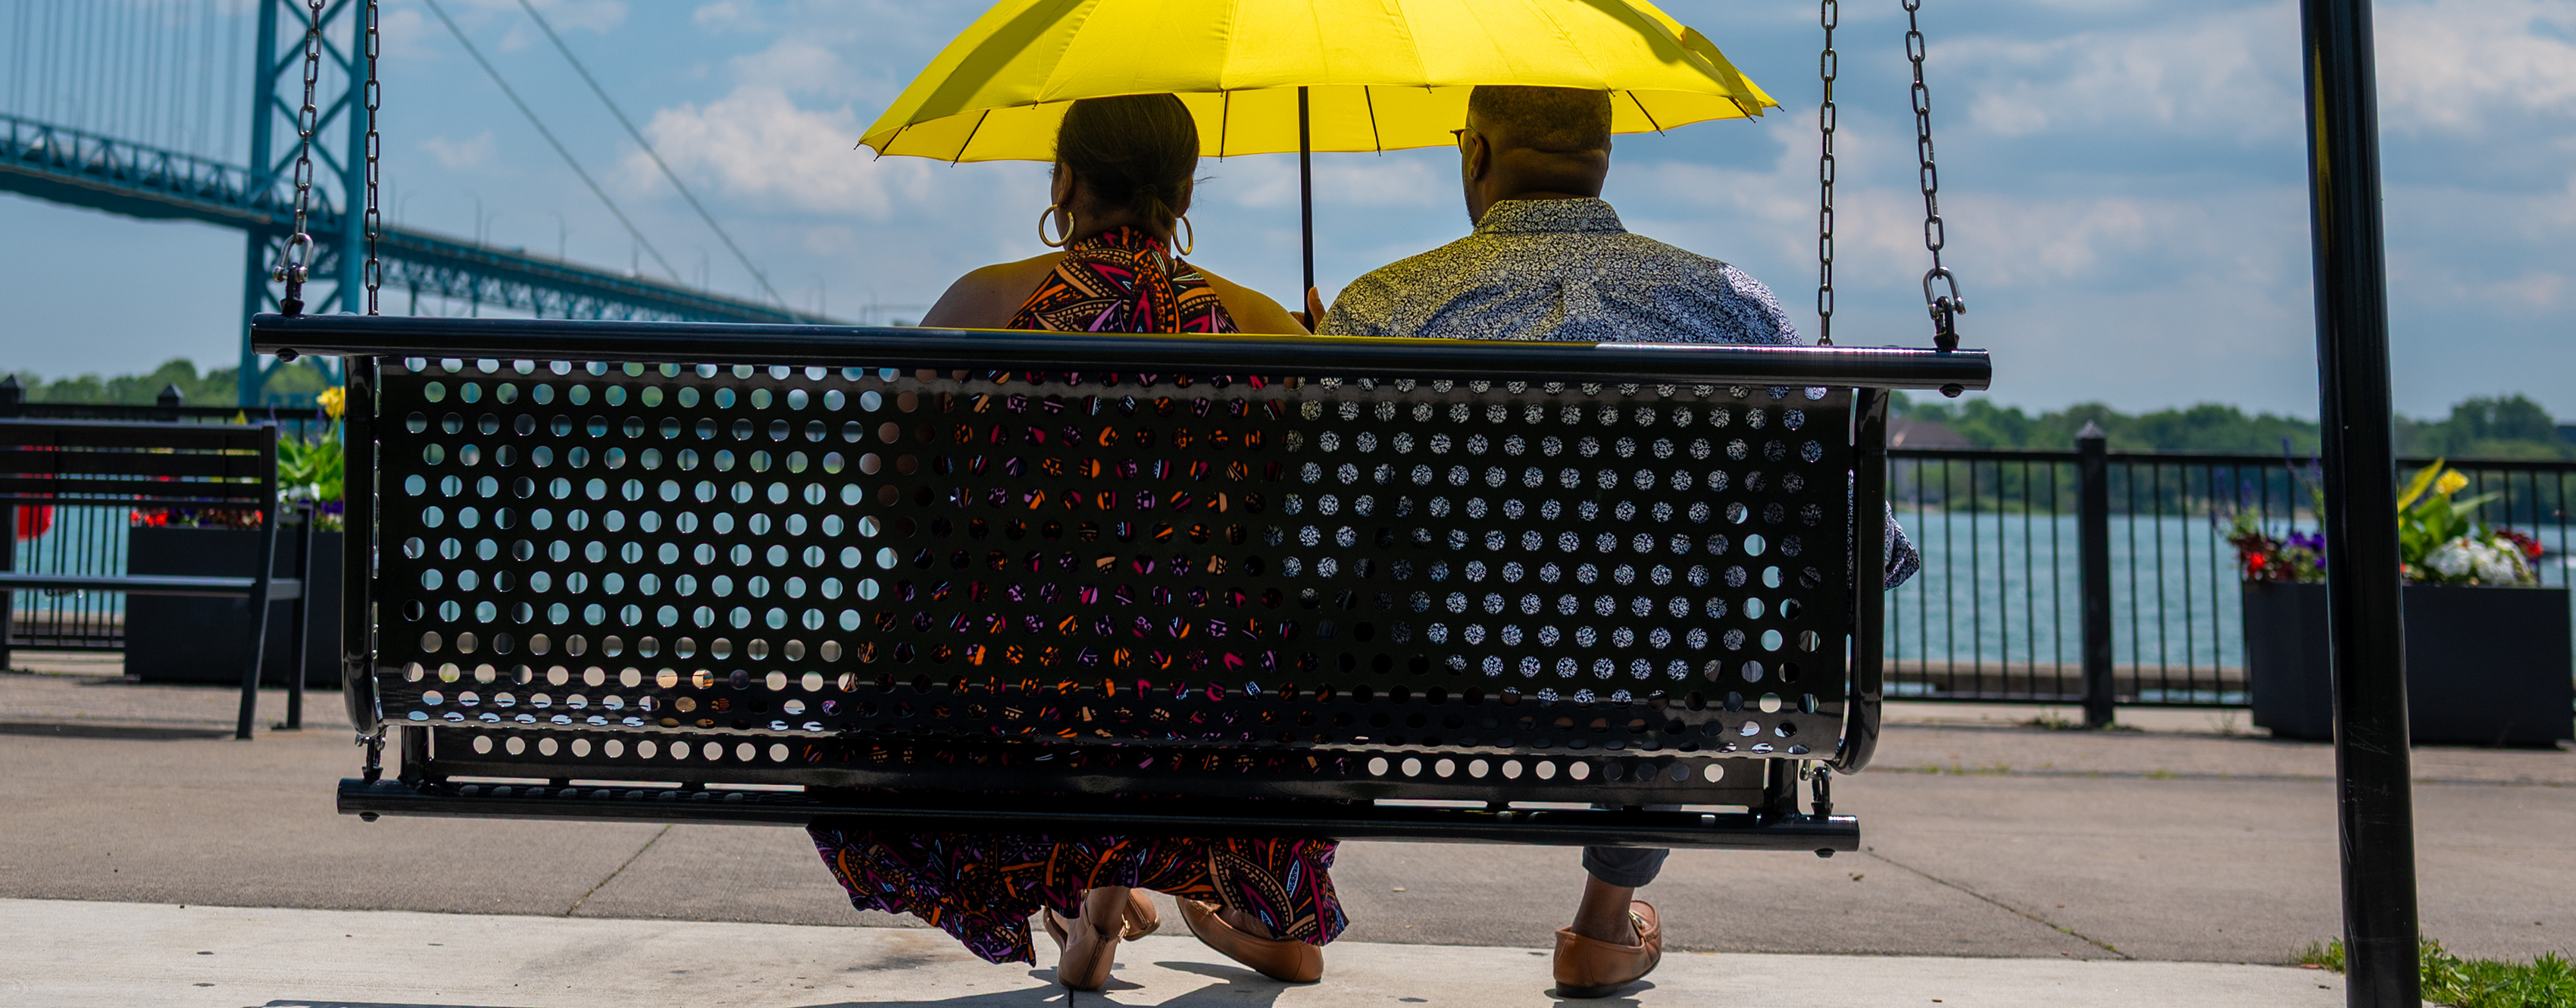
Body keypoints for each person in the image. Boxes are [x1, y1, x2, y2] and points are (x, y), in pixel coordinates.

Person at [1321, 83, 1920, 998]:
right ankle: (1605, 922)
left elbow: (1308, 554)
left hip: (1429, 684)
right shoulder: (1731, 308)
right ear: (1605, 157)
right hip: (1658, 691)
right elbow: (1868, 552)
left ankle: (1270, 900)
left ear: (1474, 153)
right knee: (1673, 641)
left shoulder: (1385, 303)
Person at [808, 93, 1339, 990]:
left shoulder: (986, 300)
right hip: (1207, 703)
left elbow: (890, 488)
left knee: (989, 645)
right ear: (1182, 192)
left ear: (1064, 180)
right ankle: (1149, 888)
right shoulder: (1255, 322)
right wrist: (1304, 344)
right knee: (1213, 644)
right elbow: (1301, 517)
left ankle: (1095, 892)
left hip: (1003, 697)